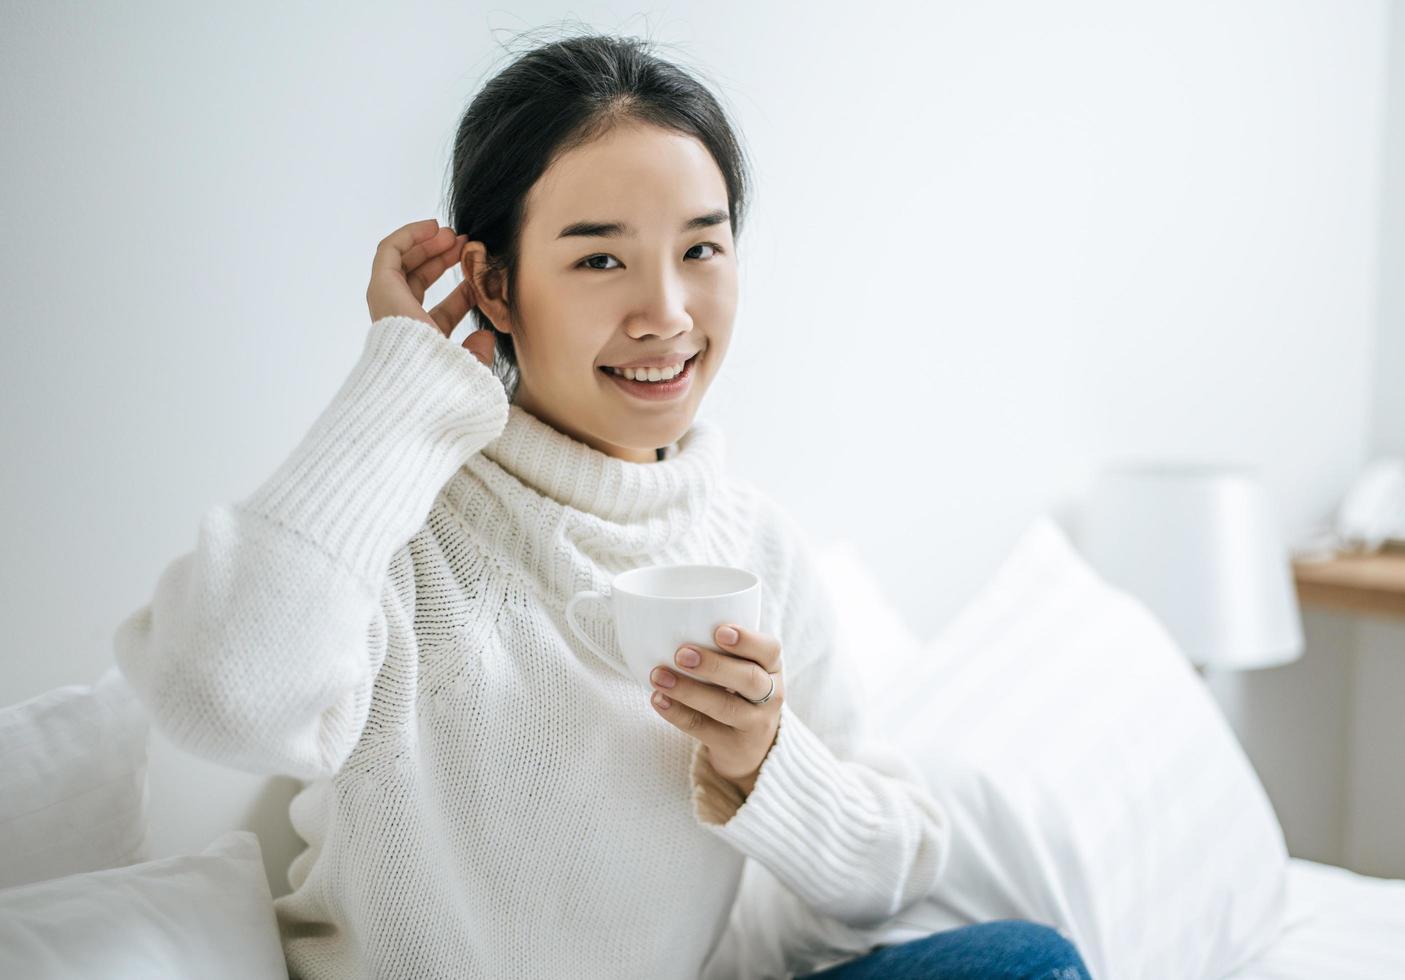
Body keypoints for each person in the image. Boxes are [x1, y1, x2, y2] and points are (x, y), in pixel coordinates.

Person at [112, 30, 1089, 980]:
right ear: (494, 283)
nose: (666, 310)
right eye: (600, 259)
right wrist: (401, 386)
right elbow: (219, 696)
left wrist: (765, 761)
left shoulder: (754, 544)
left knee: (1028, 963)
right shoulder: (407, 529)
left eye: (701, 249)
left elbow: (889, 876)